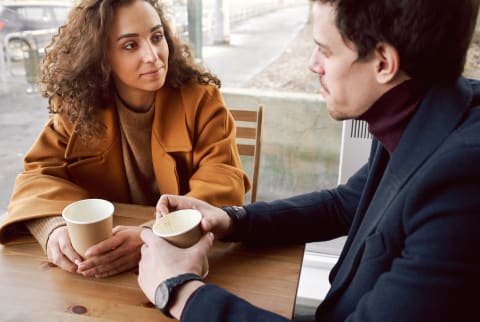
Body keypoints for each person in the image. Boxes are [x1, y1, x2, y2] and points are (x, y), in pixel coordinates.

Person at [137, 0, 480, 321]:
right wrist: (231, 219)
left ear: (383, 63)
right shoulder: (425, 114)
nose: (312, 64)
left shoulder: (463, 182)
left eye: (325, 50)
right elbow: (344, 204)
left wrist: (180, 290)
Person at [0, 0, 249, 279]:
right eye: (130, 45)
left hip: (185, 265)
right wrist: (52, 227)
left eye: (157, 37)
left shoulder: (202, 101)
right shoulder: (78, 109)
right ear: (101, 56)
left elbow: (224, 183)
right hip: (99, 271)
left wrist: (151, 235)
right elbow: (37, 176)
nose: (153, 55)